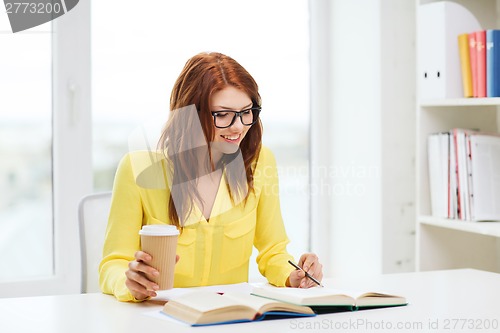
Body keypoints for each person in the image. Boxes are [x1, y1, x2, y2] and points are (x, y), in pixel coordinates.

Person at [99, 52, 323, 302]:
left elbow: (273, 252)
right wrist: (129, 281)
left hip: (230, 317)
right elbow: (113, 264)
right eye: (223, 114)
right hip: (161, 317)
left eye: (246, 112)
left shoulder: (259, 164)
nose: (238, 127)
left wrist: (293, 274)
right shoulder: (137, 168)